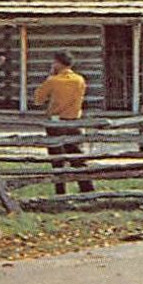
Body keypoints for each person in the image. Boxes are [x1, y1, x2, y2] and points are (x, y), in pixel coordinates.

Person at [35, 52, 93, 194]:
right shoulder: (79, 80)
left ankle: (60, 191)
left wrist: (50, 77)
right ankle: (87, 189)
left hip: (56, 122)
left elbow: (38, 99)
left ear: (58, 63)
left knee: (57, 159)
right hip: (74, 121)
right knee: (77, 158)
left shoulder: (53, 81)